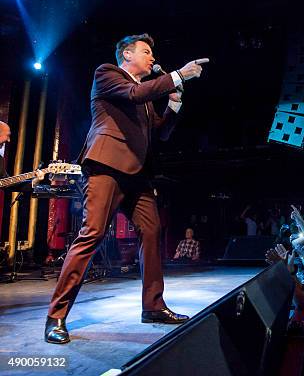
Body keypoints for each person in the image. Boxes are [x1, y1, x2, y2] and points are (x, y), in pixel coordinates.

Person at [45, 33, 203, 344]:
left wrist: (173, 103)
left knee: (152, 230)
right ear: (127, 55)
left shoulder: (144, 97)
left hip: (137, 174)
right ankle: (56, 316)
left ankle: (153, 306)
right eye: (146, 52)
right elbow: (134, 94)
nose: (152, 58)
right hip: (106, 166)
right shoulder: (107, 74)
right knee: (92, 233)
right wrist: (177, 75)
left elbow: (160, 133)